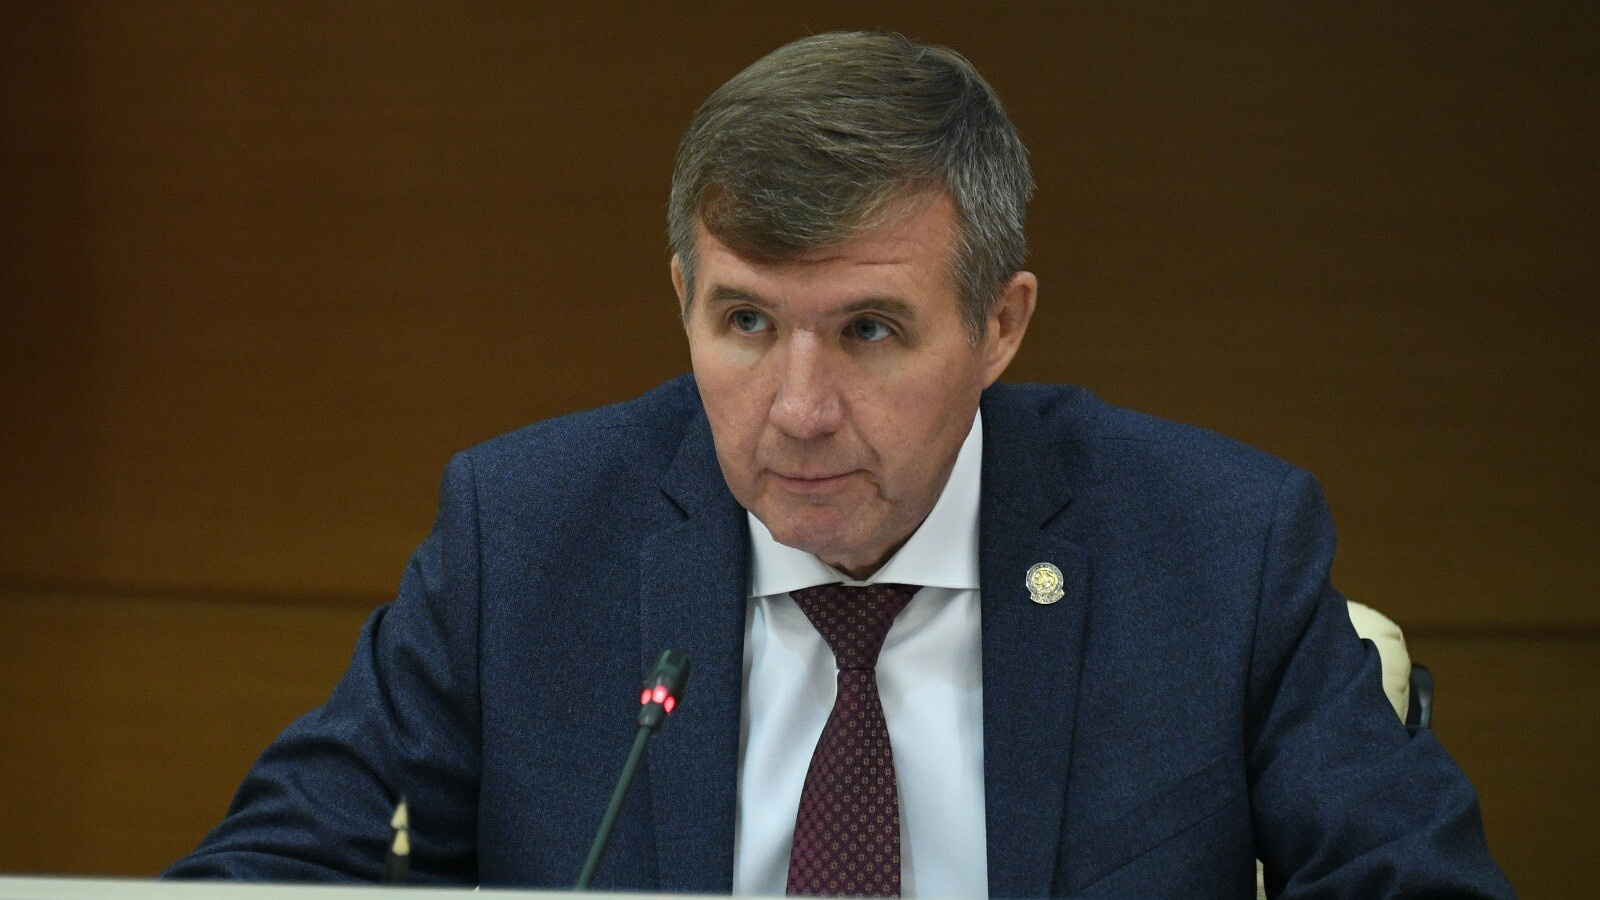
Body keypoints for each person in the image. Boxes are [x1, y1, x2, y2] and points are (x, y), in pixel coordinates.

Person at [167, 31, 1513, 897]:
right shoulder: (522, 540)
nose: (798, 411)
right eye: (746, 324)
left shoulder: (1218, 550)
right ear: (684, 300)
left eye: (869, 330)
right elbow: (274, 872)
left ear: (1000, 326)